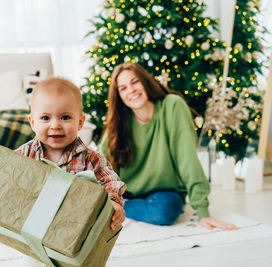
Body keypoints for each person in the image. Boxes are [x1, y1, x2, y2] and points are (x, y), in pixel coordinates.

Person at [0, 77, 126, 231]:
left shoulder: (91, 159)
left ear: (80, 122)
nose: (55, 125)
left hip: (74, 227)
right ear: (32, 122)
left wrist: (114, 203)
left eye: (65, 117)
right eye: (45, 118)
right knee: (33, 257)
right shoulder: (23, 155)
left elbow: (111, 181)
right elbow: (0, 182)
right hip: (32, 226)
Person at [99, 62, 237, 231]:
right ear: (119, 95)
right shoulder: (119, 121)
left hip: (164, 193)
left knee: (165, 211)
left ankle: (121, 208)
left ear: (145, 81)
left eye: (135, 82)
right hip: (127, 191)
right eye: (123, 88)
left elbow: (187, 159)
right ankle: (119, 205)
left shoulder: (172, 106)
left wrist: (203, 211)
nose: (131, 90)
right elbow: (100, 162)